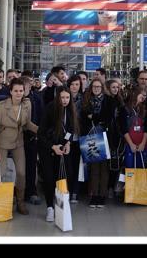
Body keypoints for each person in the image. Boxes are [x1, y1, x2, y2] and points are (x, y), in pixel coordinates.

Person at [0, 78, 38, 215]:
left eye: (21, 91)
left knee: (22, 173)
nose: (18, 93)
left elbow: (27, 124)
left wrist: (41, 130)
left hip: (18, 142)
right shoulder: (2, 106)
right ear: (10, 91)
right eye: (16, 91)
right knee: (1, 172)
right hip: (3, 142)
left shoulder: (27, 105)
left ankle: (20, 201)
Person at [37, 87, 80, 221]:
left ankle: (60, 205)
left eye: (67, 97)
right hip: (48, 149)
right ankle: (50, 207)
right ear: (57, 98)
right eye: (62, 97)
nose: (65, 100)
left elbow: (71, 130)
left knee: (65, 176)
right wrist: (52, 146)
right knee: (49, 179)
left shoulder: (71, 110)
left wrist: (68, 143)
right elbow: (41, 133)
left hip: (62, 149)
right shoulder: (50, 109)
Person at [81, 79, 113, 208]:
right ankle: (94, 195)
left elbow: (107, 117)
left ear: (102, 87)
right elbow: (83, 116)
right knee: (94, 167)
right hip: (91, 135)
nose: (96, 88)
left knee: (104, 167)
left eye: (98, 86)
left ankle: (102, 195)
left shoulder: (109, 100)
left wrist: (93, 116)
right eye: (94, 86)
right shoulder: (86, 100)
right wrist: (96, 117)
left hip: (104, 135)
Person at [21, 75, 44, 205]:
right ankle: (18, 191)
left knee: (31, 165)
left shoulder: (36, 99)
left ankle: (31, 191)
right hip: (16, 138)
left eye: (26, 87)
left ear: (30, 86)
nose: (23, 90)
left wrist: (39, 133)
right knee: (17, 167)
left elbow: (41, 115)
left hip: (32, 137)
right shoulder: (13, 98)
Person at [67, 75, 85, 203]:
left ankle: (75, 191)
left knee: (77, 165)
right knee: (67, 165)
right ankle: (66, 189)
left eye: (77, 84)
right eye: (72, 84)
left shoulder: (84, 100)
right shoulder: (64, 98)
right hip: (66, 137)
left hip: (79, 137)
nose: (74, 87)